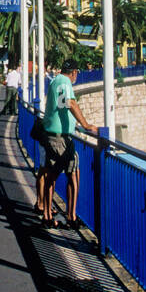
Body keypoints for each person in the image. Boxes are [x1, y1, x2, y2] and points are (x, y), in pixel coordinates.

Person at [41, 58, 98, 230]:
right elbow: (70, 103)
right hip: (60, 138)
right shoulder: (65, 81)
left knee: (54, 174)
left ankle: (48, 216)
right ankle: (68, 216)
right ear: (74, 72)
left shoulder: (55, 81)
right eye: (76, 73)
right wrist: (86, 125)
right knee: (70, 174)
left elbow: (62, 105)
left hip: (52, 134)